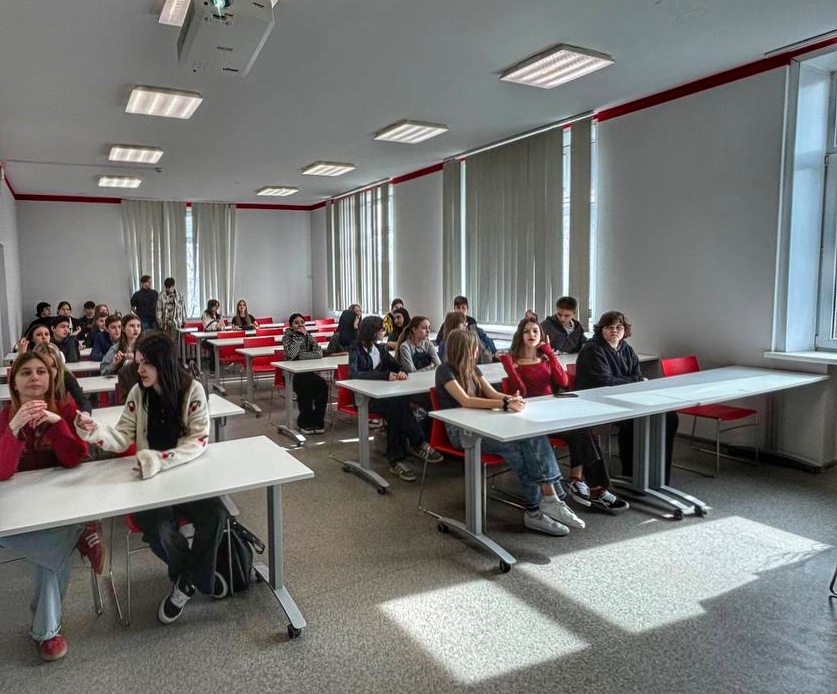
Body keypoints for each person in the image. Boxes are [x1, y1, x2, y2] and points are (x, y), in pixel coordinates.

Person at [75, 331, 227, 625]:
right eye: (138, 362)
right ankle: (193, 579)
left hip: (186, 476)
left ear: (163, 363)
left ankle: (187, 581)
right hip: (149, 482)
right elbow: (122, 437)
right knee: (160, 529)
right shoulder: (138, 393)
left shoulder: (191, 390)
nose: (139, 369)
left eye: (146, 363)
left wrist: (160, 460)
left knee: (217, 515)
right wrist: (95, 431)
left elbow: (198, 441)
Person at [0, 352, 101, 661]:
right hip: (13, 511)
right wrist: (14, 428)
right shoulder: (4, 417)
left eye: (41, 371)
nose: (34, 377)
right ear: (14, 382)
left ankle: (47, 632)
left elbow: (74, 459)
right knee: (57, 541)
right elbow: (3, 471)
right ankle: (80, 533)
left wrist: (57, 424)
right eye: (26, 373)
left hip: (54, 506)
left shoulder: (64, 409)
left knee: (51, 543)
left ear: (51, 377)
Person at [436, 329, 585, 535]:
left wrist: (510, 399)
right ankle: (540, 507)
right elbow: (466, 401)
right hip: (461, 432)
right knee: (518, 451)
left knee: (531, 434)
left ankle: (548, 500)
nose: (477, 351)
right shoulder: (445, 370)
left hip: (482, 424)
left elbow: (492, 393)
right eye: (474, 347)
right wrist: (504, 404)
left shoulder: (473, 369)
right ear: (463, 349)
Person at [500, 318, 629, 513]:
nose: (531, 335)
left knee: (584, 430)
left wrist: (550, 352)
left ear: (542, 336)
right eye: (527, 331)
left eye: (535, 331)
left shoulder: (545, 359)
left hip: (553, 412)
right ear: (520, 335)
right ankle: (592, 487)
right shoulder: (514, 361)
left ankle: (586, 484)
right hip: (530, 417)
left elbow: (563, 381)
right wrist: (509, 367)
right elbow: (521, 391)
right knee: (582, 433)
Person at [574, 310, 679, 485]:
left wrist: (634, 381)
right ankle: (631, 474)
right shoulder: (592, 349)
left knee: (669, 417)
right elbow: (605, 382)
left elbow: (636, 375)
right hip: (597, 401)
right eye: (609, 327)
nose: (614, 331)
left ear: (625, 330)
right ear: (601, 329)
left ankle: (659, 474)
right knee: (633, 422)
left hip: (625, 399)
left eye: (619, 327)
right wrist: (635, 381)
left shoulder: (626, 349)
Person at [349, 315, 443, 481]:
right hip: (365, 399)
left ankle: (396, 460)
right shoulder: (355, 349)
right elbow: (354, 373)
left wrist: (402, 372)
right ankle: (417, 442)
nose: (384, 332)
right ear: (372, 331)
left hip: (384, 397)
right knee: (397, 405)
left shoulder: (380, 349)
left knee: (397, 407)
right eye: (381, 329)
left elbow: (398, 366)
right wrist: (384, 375)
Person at [282, 312, 328, 434]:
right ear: (291, 325)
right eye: (296, 323)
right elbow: (291, 354)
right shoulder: (287, 337)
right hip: (292, 375)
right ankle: (304, 422)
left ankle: (318, 421)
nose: (300, 325)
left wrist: (301, 356)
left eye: (302, 322)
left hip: (308, 372)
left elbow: (319, 353)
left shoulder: (309, 336)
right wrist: (299, 337)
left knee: (322, 386)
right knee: (305, 388)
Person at [32, 342, 92, 414]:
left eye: (53, 366)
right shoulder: (30, 381)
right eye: (45, 367)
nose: (50, 371)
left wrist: (85, 414)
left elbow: (83, 402)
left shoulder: (65, 376)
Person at [155, 277, 187, 344]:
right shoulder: (161, 296)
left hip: (177, 322)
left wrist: (184, 320)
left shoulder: (179, 295)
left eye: (170, 287)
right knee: (166, 341)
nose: (168, 289)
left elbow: (183, 308)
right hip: (165, 323)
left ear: (173, 286)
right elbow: (158, 310)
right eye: (167, 287)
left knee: (175, 342)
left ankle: (175, 351)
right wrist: (160, 322)